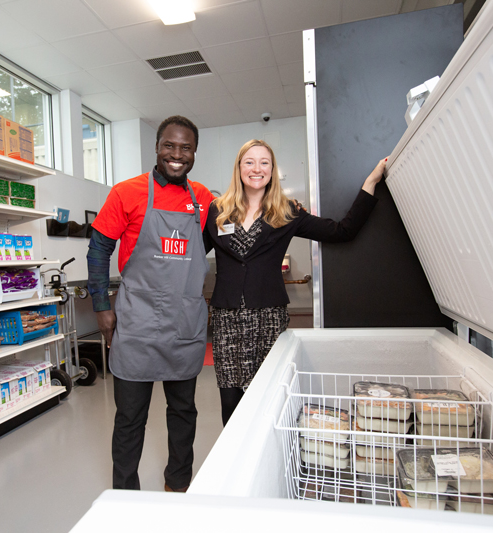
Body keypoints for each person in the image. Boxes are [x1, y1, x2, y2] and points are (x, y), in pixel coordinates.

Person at [206, 139, 386, 425]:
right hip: (228, 319)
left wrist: (371, 182)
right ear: (239, 168)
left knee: (268, 397)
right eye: (249, 162)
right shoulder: (218, 211)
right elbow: (195, 253)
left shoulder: (287, 211)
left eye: (264, 162)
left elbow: (342, 231)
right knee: (230, 401)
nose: (256, 168)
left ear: (272, 169)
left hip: (268, 317)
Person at [87, 116, 216, 492]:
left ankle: (178, 484)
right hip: (137, 321)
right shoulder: (126, 192)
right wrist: (101, 306)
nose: (177, 155)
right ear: (157, 147)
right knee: (129, 417)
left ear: (194, 152)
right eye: (169, 146)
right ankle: (126, 493)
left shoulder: (204, 198)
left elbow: (212, 243)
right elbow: (98, 250)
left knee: (184, 412)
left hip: (184, 321)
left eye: (185, 148)